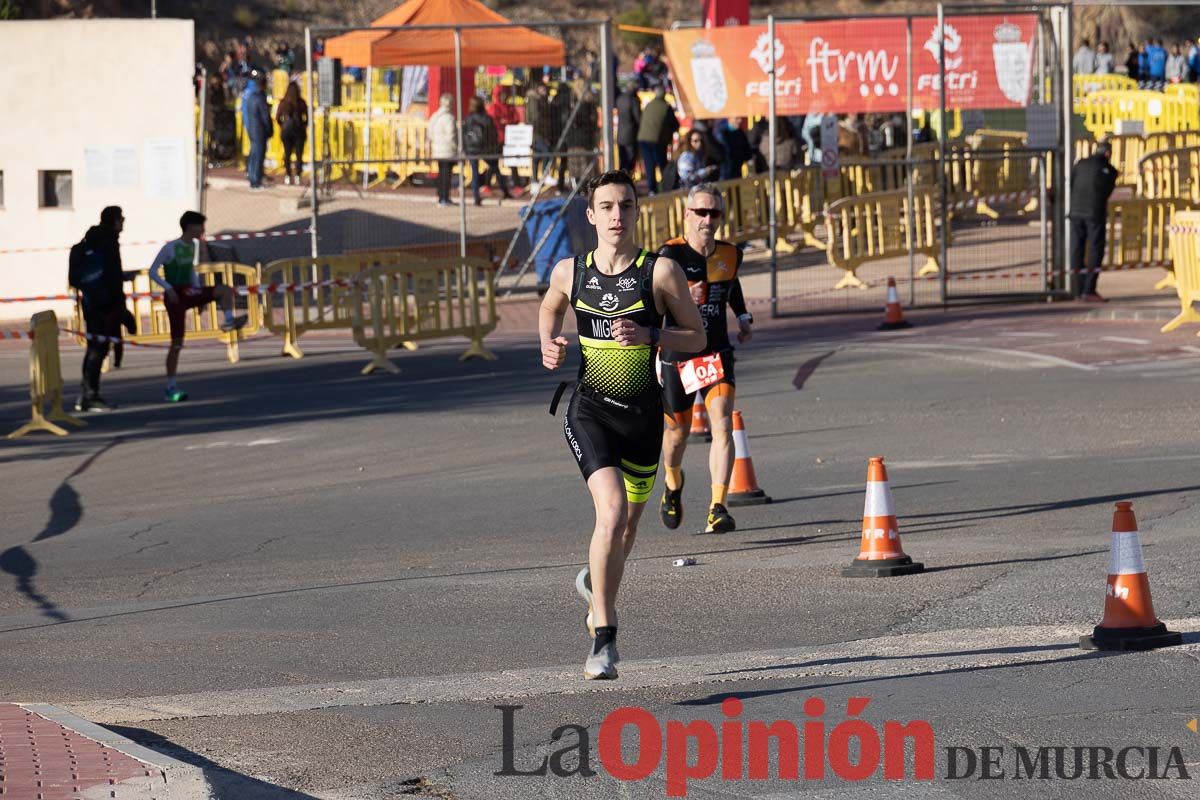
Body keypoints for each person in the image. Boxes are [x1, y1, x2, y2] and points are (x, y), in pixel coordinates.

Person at [538, 171, 705, 680]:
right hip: (590, 410)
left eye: (625, 206)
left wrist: (651, 332)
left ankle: (596, 585)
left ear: (637, 213)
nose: (616, 215)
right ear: (590, 216)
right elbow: (550, 306)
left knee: (627, 528)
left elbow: (696, 337)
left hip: (643, 416)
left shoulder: (661, 273)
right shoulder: (571, 272)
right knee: (609, 513)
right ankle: (604, 639)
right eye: (606, 206)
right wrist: (547, 341)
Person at [657, 184, 753, 535]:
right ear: (687, 214)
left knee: (722, 424)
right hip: (678, 356)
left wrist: (743, 317)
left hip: (716, 352)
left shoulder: (731, 253)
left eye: (714, 213)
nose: (707, 219)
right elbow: (652, 300)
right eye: (701, 212)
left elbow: (732, 284)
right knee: (677, 432)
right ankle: (672, 482)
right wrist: (681, 298)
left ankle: (718, 507)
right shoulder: (669, 254)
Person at [150, 212, 248, 402]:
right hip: (175, 296)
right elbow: (153, 271)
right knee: (176, 344)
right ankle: (171, 386)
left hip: (189, 291)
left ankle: (228, 321)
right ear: (189, 227)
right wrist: (168, 288)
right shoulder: (171, 247)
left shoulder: (193, 246)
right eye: (200, 226)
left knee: (224, 290)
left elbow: (191, 270)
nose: (203, 230)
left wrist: (199, 293)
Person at [67, 206, 128, 412]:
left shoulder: (93, 240)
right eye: (121, 218)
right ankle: (89, 396)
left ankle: (88, 393)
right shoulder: (106, 241)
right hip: (103, 304)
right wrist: (119, 305)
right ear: (114, 221)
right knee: (97, 349)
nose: (123, 222)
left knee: (96, 347)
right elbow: (111, 275)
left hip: (93, 301)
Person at [1069, 140, 1118, 302]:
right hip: (1094, 213)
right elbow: (1107, 192)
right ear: (1108, 153)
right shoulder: (1110, 171)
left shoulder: (1080, 164)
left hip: (1075, 212)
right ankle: (1089, 289)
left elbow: (1071, 183)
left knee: (1077, 249)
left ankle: (1077, 289)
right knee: (1096, 250)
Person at [464, 95, 510, 205]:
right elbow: (492, 134)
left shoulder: (468, 119)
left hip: (472, 148)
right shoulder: (486, 118)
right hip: (485, 148)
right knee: (495, 168)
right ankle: (504, 190)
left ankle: (476, 196)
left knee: (474, 172)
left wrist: (465, 147)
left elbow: (464, 134)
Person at [636, 86, 679, 194]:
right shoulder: (666, 107)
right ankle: (666, 187)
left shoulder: (649, 105)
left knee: (649, 165)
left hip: (643, 139)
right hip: (658, 140)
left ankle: (652, 190)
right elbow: (675, 124)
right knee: (662, 165)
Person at [242, 72, 272, 190]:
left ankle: (252, 178)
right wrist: (269, 130)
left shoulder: (249, 96)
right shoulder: (260, 97)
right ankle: (256, 181)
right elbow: (265, 117)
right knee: (258, 156)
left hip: (251, 129)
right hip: (259, 131)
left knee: (253, 155)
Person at [426, 94, 457, 206]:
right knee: (447, 175)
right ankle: (445, 197)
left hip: (438, 149)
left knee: (441, 174)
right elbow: (451, 135)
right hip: (448, 150)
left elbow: (430, 132)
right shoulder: (449, 117)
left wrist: (437, 141)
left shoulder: (435, 116)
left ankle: (441, 197)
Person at [275, 81, 308, 185]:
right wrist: (303, 125)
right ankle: (298, 175)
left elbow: (277, 117)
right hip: (299, 132)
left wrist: (282, 126)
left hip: (286, 132)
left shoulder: (284, 102)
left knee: (287, 154)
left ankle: (288, 175)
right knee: (299, 155)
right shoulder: (301, 102)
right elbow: (307, 118)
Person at [616, 81, 642, 174]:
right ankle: (628, 179)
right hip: (631, 135)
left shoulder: (620, 99)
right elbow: (638, 118)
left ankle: (621, 179)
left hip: (620, 134)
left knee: (622, 160)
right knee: (630, 160)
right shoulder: (633, 100)